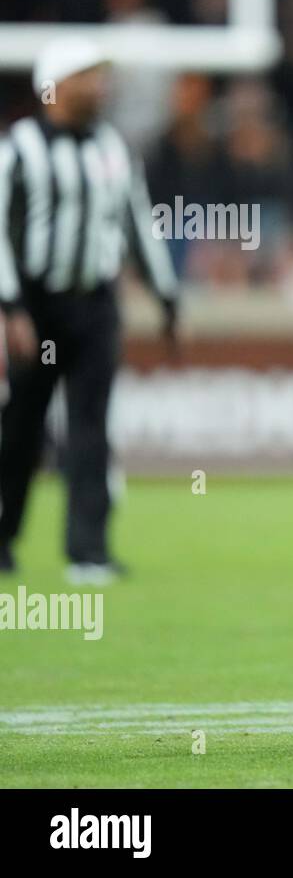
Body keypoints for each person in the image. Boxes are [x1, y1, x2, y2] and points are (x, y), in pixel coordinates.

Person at [0, 37, 179, 584]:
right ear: (56, 84)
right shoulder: (19, 147)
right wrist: (9, 308)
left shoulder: (113, 148)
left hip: (95, 305)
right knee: (20, 429)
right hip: (34, 303)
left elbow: (138, 224)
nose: (100, 86)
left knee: (91, 428)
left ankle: (89, 550)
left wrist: (166, 292)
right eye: (88, 75)